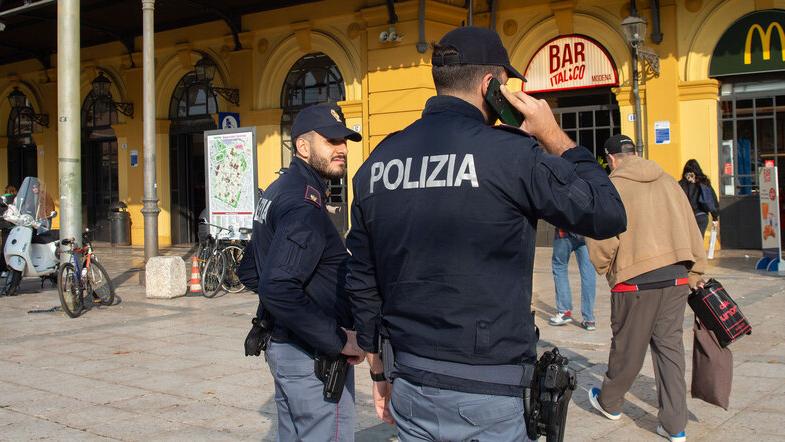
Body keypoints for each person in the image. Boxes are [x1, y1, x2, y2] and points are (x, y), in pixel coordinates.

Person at [345, 26, 627, 440]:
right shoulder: (512, 154)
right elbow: (606, 212)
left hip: (410, 378)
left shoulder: (378, 162)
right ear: (489, 85)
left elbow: (362, 279)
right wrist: (551, 133)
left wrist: (378, 370)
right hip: (489, 384)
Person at [238, 103, 365, 441]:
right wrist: (336, 339)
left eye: (344, 141)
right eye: (331, 141)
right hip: (312, 358)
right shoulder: (302, 205)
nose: (341, 150)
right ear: (303, 147)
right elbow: (277, 286)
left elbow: (250, 271)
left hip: (287, 349)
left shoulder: (279, 190)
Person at [585, 134, 707, 442]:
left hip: (634, 279)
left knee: (628, 347)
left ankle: (610, 402)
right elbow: (692, 227)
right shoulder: (668, 181)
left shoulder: (611, 186)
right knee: (670, 351)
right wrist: (696, 271)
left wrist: (603, 266)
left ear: (611, 158)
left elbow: (602, 235)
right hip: (677, 277)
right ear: (635, 153)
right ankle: (675, 425)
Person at [549, 229, 596, 330]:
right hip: (586, 234)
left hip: (564, 233)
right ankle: (589, 319)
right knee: (588, 272)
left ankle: (564, 312)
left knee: (559, 267)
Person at [678, 159, 719, 237]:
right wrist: (715, 216)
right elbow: (711, 199)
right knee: (699, 242)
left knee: (688, 243)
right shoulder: (704, 182)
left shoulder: (680, 184)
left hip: (686, 218)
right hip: (701, 216)